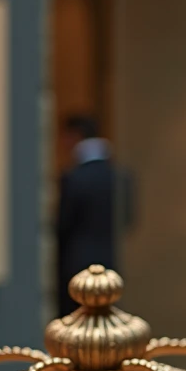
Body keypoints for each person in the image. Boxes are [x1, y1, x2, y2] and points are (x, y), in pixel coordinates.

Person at [55, 115, 134, 317]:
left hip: (76, 265)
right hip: (113, 260)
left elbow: (63, 225)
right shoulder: (121, 175)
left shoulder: (74, 177)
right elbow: (128, 219)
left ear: (75, 136)